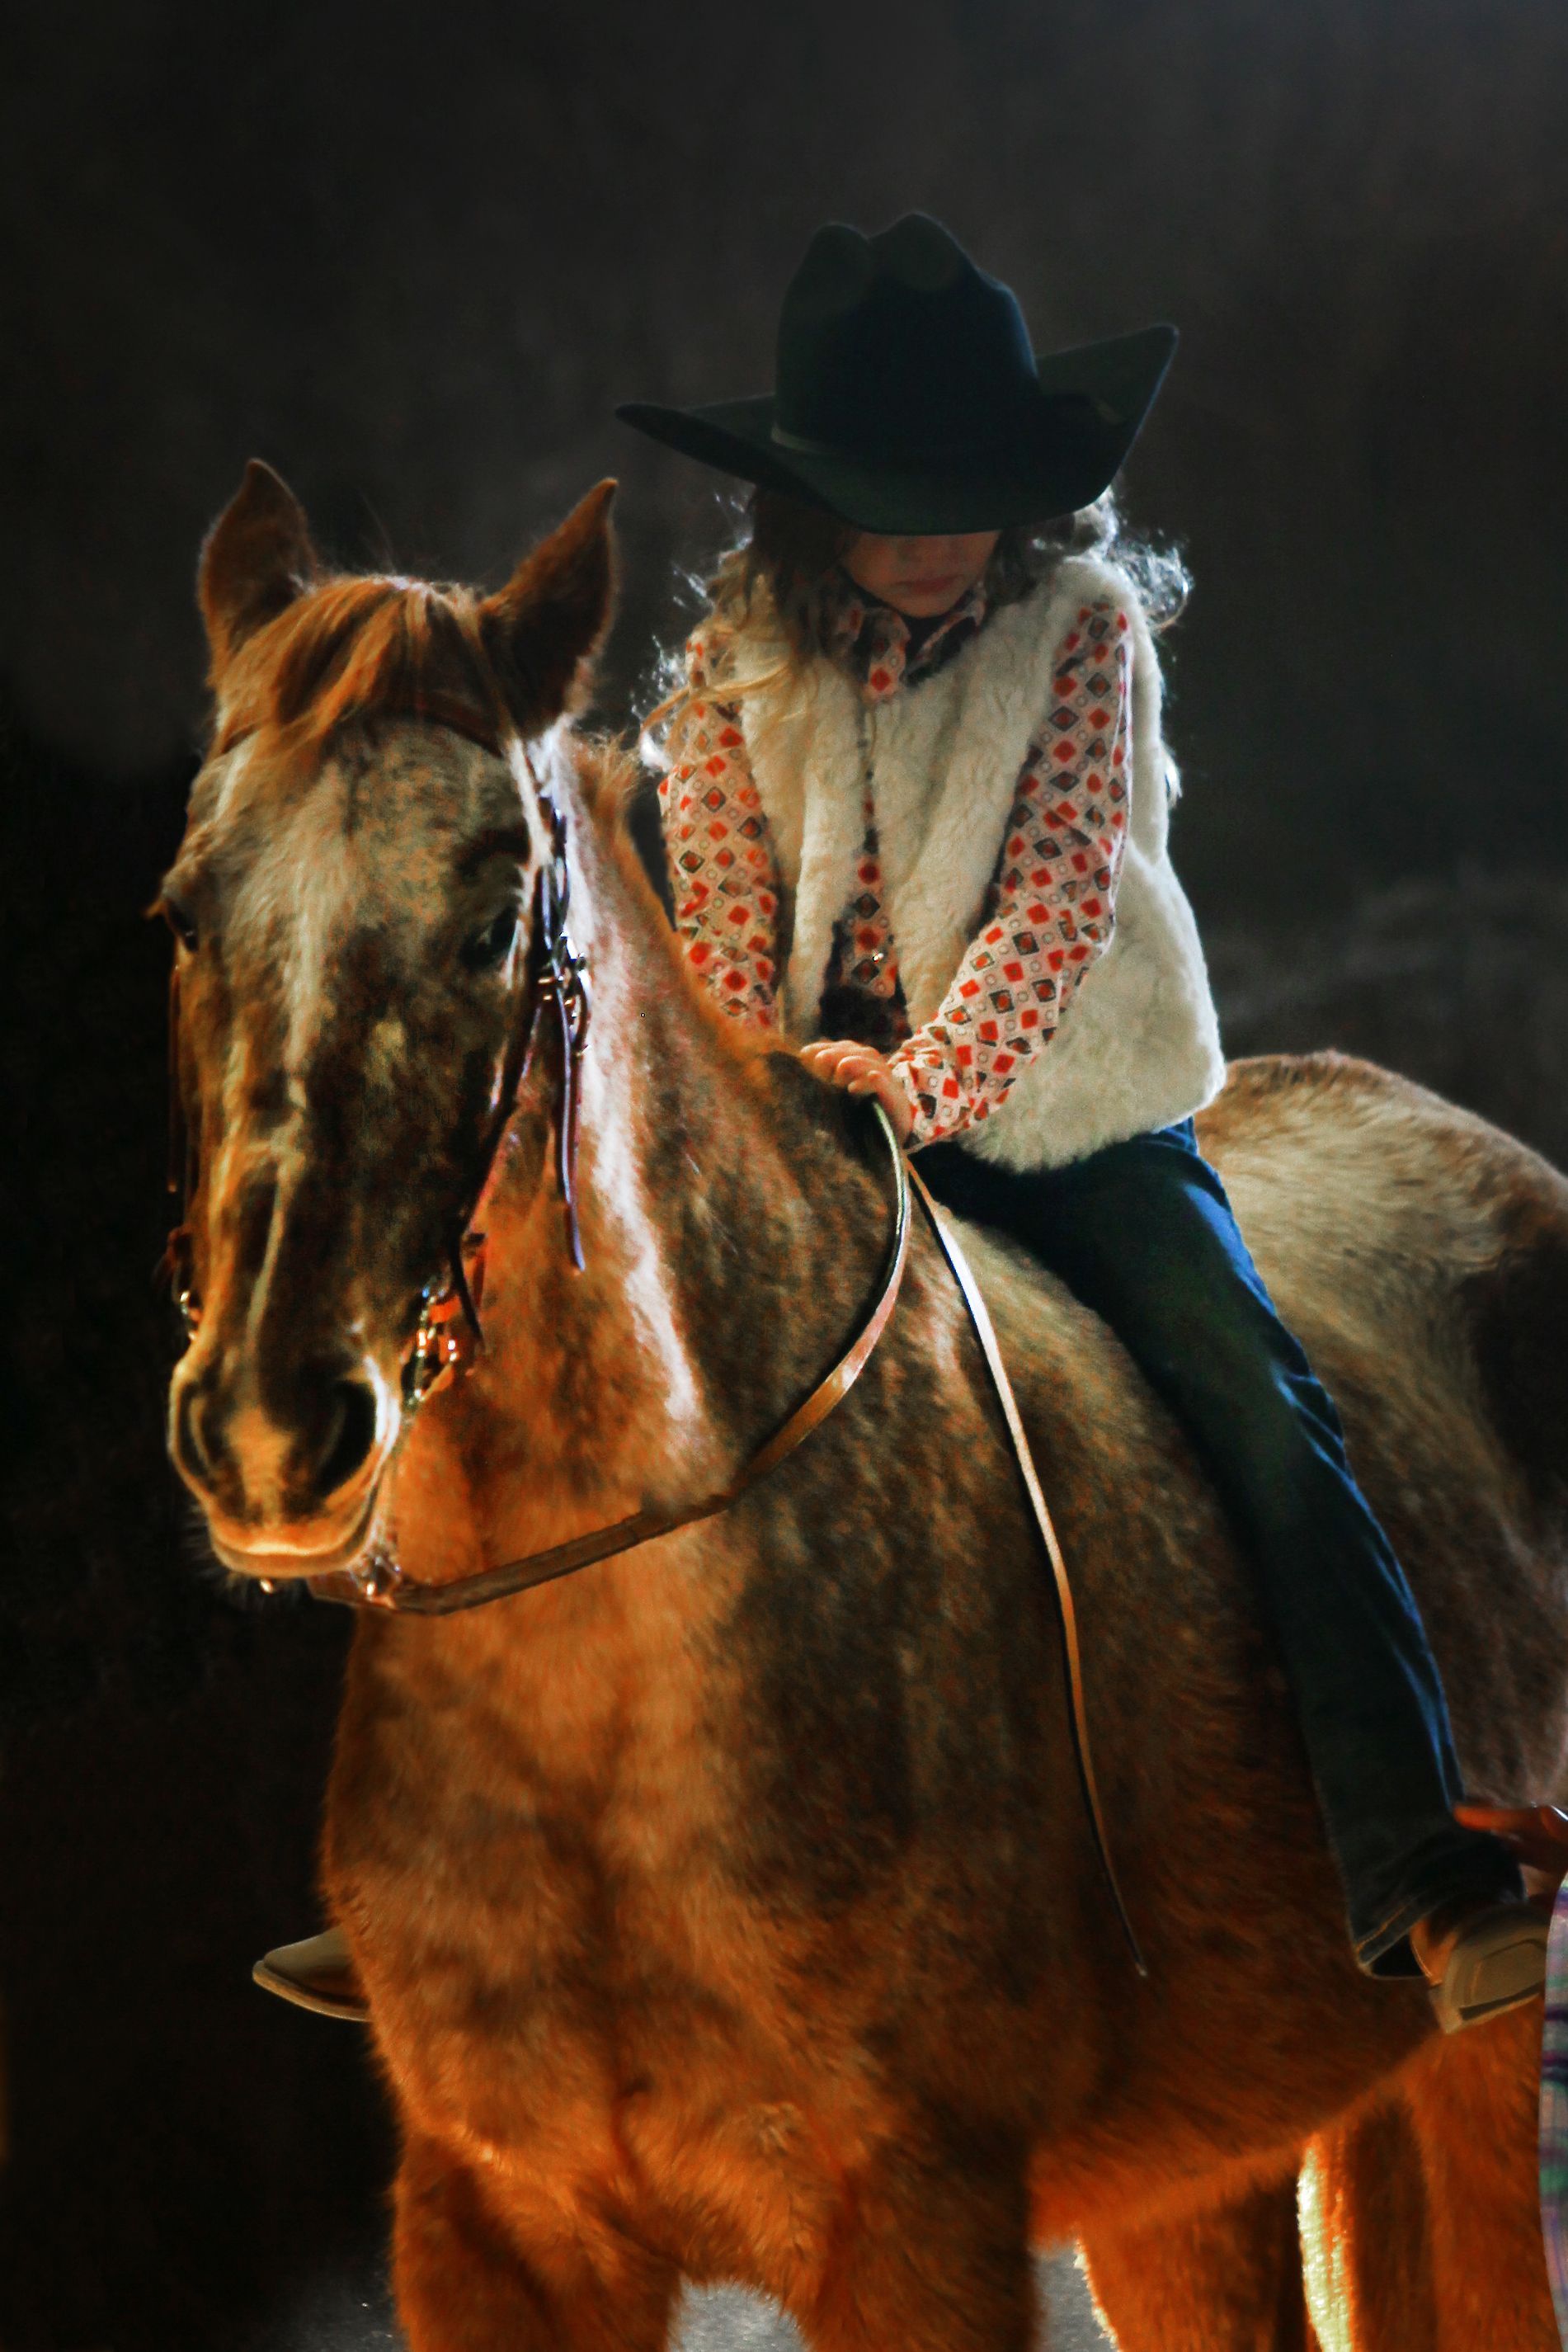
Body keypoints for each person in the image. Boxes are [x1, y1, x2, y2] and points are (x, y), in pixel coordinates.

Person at [255, 213, 1555, 2033]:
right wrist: (777, 1088)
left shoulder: (1085, 643)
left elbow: (1057, 904)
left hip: (1062, 1109)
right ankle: (444, 1873)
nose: (938, 537)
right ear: (813, 508)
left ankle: (1408, 1855)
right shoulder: (730, 674)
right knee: (545, 1381)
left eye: (967, 497)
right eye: (894, 499)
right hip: (800, 1115)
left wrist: (923, 1085)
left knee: (1261, 1412)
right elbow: (709, 912)